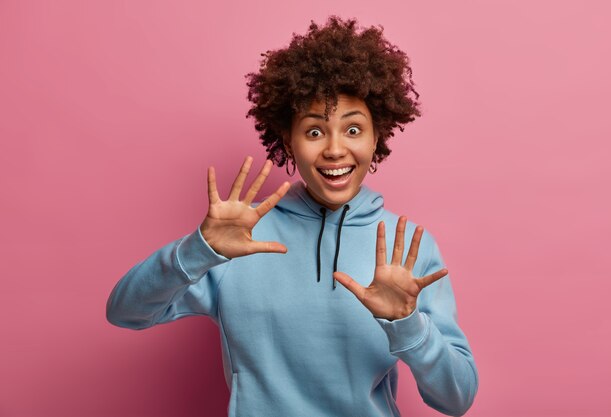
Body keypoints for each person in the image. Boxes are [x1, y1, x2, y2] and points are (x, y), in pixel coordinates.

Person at [106, 16, 478, 417]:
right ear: (288, 140)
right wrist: (200, 249)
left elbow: (457, 399)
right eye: (315, 132)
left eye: (353, 130)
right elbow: (125, 312)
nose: (335, 150)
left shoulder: (409, 249)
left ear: (377, 137)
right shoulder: (239, 239)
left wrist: (407, 325)